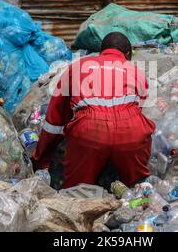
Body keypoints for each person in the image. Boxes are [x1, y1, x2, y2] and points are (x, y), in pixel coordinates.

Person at [31, 32, 156, 189]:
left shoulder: (78, 66)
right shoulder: (137, 72)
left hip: (89, 131)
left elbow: (54, 122)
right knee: (137, 190)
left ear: (101, 51)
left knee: (77, 192)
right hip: (131, 130)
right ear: (127, 54)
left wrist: (40, 160)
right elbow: (137, 110)